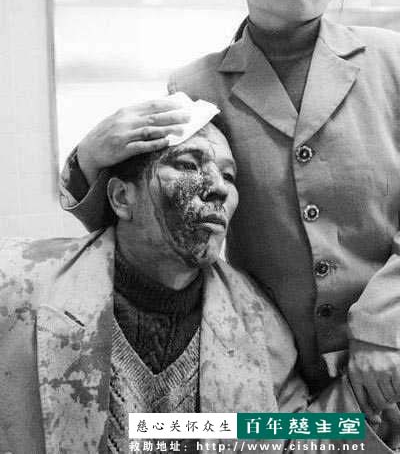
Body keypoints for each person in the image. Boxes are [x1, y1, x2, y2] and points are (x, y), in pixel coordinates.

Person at [60, 0, 400, 424]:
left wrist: (385, 326)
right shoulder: (197, 86)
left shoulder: (390, 61)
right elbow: (153, 222)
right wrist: (88, 156)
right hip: (270, 366)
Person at [0, 122, 395, 453]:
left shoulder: (258, 323)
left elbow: (290, 439)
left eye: (229, 176)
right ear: (122, 197)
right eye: (188, 164)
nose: (218, 188)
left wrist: (370, 396)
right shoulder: (17, 283)